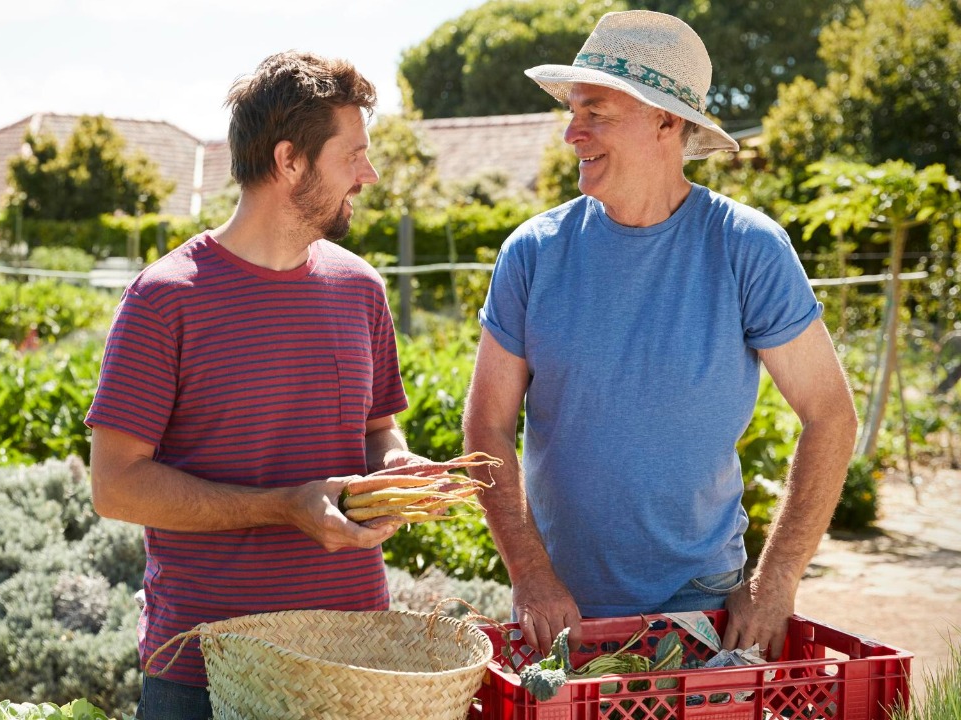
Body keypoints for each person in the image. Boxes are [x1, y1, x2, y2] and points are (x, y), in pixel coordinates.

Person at [463, 10, 858, 663]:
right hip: (559, 609)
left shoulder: (745, 248)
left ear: (667, 121)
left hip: (701, 605)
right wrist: (530, 574)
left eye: (596, 112)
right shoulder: (532, 253)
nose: (571, 132)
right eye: (572, 111)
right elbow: (486, 427)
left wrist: (775, 580)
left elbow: (830, 415)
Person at [85, 50, 421, 719]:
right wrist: (284, 505)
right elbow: (116, 486)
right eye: (352, 155)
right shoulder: (165, 298)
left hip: (353, 655)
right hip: (206, 670)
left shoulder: (361, 288)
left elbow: (378, 427)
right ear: (290, 160)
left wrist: (397, 469)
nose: (369, 175)